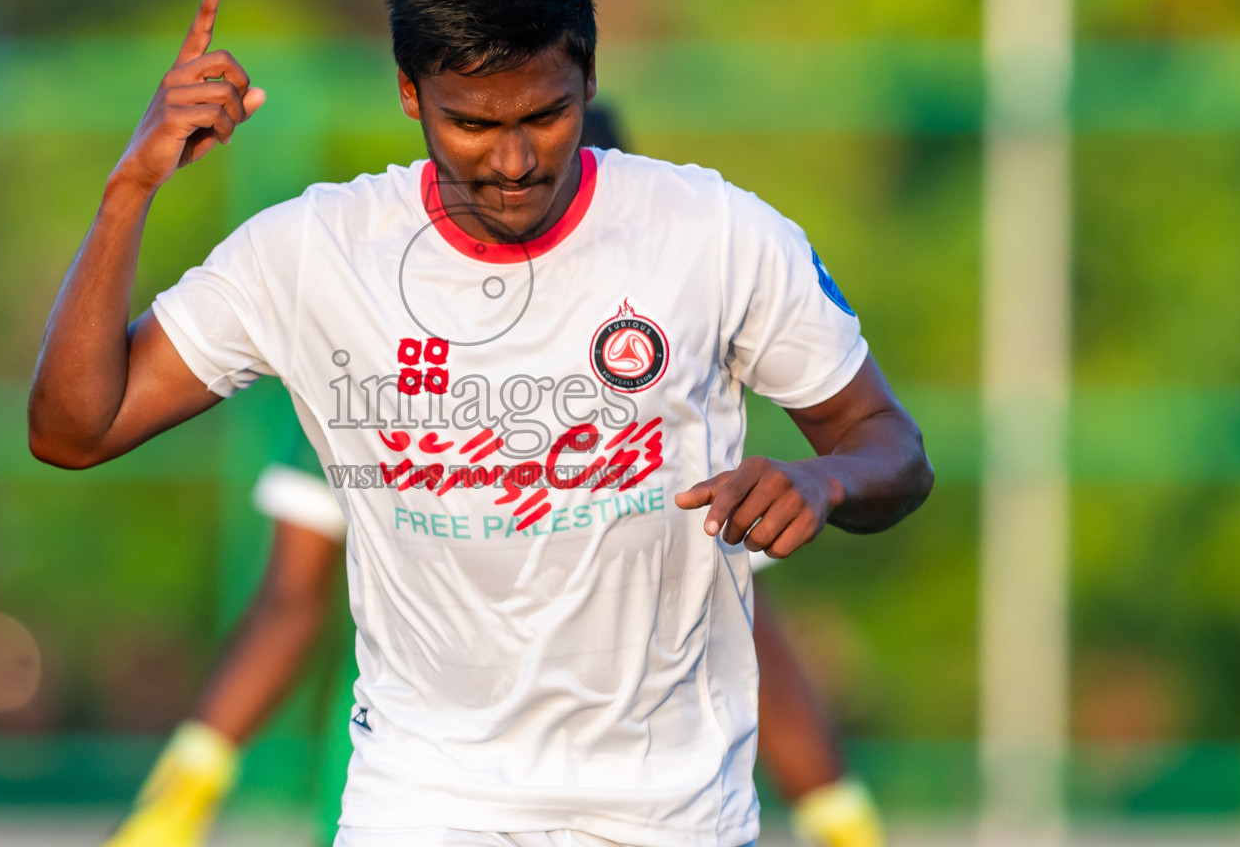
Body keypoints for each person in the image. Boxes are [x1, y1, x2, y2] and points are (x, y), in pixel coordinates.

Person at [29, 0, 933, 847]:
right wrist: (129, 188)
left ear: (587, 75)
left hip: (671, 817)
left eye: (544, 114)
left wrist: (824, 482)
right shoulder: (314, 256)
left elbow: (891, 447)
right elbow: (72, 432)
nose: (511, 161)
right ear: (410, 94)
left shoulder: (718, 234)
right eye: (470, 123)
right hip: (423, 807)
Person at [101, 107, 888, 847]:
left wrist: (832, 804)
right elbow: (288, 599)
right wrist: (189, 783)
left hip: (647, 809)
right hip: (420, 798)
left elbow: (743, 623)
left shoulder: (665, 389)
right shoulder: (374, 370)